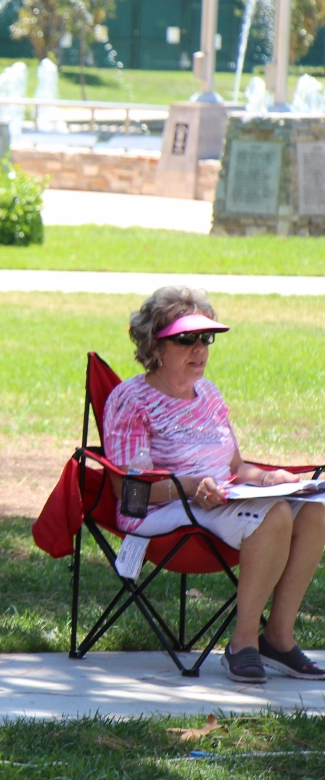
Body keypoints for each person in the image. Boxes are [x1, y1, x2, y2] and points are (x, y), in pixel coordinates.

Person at [103, 286, 325, 684]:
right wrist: (189, 487)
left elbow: (236, 466)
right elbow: (129, 493)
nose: (200, 348)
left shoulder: (208, 394)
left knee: (315, 510)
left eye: (205, 338)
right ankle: (242, 644)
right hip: (161, 514)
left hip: (221, 501)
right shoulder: (130, 399)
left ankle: (278, 637)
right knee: (273, 515)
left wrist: (271, 478)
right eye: (186, 339)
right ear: (155, 345)